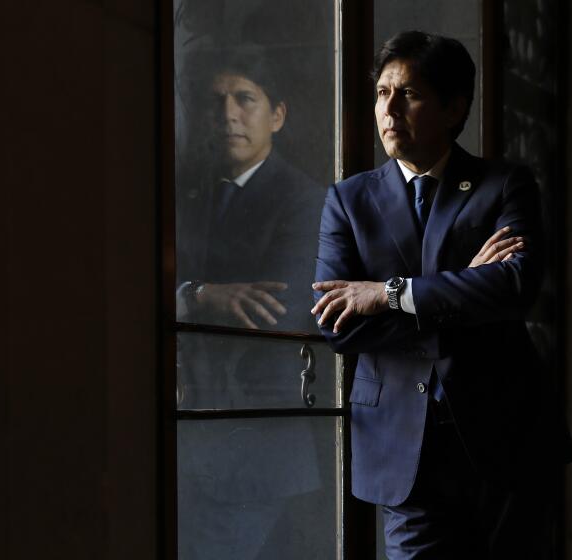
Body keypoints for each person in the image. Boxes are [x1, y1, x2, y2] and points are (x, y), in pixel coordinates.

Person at [312, 31, 572, 558]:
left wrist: (388, 294)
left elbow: (516, 287)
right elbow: (337, 323)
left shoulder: (503, 184)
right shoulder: (348, 200)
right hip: (401, 450)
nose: (388, 108)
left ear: (455, 108)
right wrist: (466, 286)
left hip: (507, 438)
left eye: (408, 94)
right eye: (382, 93)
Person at [175, 47, 328, 559]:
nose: (228, 115)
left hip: (255, 446)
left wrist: (187, 300)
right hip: (186, 433)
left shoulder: (303, 201)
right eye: (216, 102)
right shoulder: (185, 192)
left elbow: (273, 314)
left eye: (245, 99)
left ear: (277, 115)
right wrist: (201, 295)